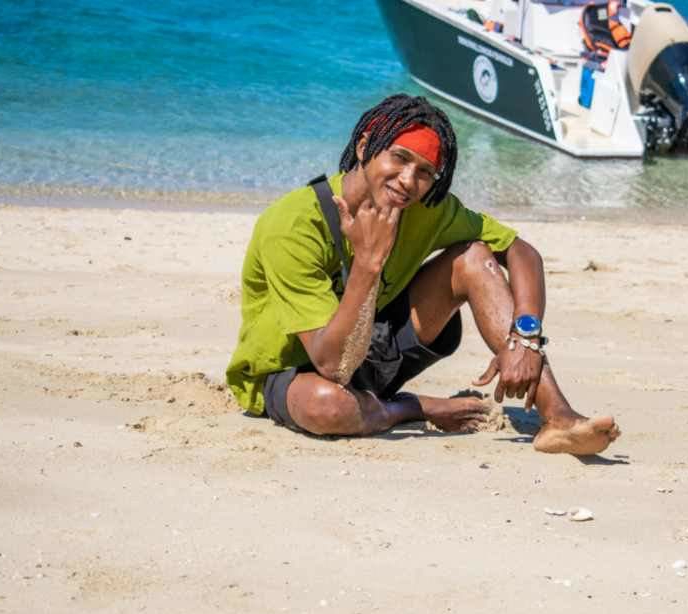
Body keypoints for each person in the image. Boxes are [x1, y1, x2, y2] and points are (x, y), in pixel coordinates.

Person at [225, 94, 619, 455]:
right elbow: (333, 366)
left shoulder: (426, 210)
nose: (408, 181)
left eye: (425, 172)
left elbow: (521, 251)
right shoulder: (292, 226)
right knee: (327, 407)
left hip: (372, 352)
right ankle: (409, 407)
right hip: (296, 371)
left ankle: (559, 417)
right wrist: (368, 263)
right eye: (399, 158)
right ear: (364, 146)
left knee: (474, 256)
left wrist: (526, 337)